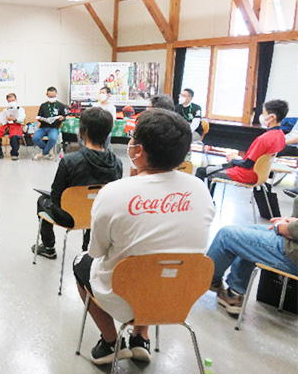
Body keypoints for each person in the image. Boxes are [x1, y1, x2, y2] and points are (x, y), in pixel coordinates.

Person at [72, 108, 214, 366]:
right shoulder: (200, 189)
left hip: (123, 296)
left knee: (81, 262)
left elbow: (97, 251)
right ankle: (141, 337)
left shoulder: (114, 192)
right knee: (157, 262)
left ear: (138, 150)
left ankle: (110, 342)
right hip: (179, 296)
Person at [33, 108, 123, 259]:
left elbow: (56, 198)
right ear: (108, 133)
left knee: (42, 200)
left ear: (83, 131)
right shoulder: (117, 163)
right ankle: (88, 253)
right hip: (100, 216)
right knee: (95, 204)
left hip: (69, 216)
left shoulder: (69, 161)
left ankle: (48, 247)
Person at [208, 197, 298, 315]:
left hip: (292, 251)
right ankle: (235, 294)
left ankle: (208, 279)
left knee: (226, 236)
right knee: (248, 234)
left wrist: (282, 226)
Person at [196, 100, 288, 196]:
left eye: (264, 113)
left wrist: (233, 160)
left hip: (246, 174)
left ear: (272, 117)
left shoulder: (264, 138)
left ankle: (201, 201)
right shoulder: (280, 136)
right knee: (212, 168)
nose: (262, 116)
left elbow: (247, 164)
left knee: (201, 171)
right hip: (260, 174)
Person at [32, 87, 67, 160]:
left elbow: (64, 117)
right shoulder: (43, 105)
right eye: (50, 96)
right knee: (35, 137)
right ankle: (48, 150)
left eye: (53, 96)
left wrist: (62, 118)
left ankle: (43, 153)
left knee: (53, 138)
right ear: (47, 95)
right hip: (43, 127)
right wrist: (40, 119)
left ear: (56, 94)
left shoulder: (61, 105)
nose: (52, 98)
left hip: (54, 127)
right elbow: (39, 116)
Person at [0, 93, 26, 160]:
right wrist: (3, 120)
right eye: (10, 101)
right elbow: (1, 121)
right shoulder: (5, 110)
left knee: (14, 136)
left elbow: (22, 119)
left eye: (13, 100)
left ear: (16, 99)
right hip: (6, 125)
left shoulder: (20, 109)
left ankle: (14, 154)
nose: (12, 102)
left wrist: (14, 119)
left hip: (16, 125)